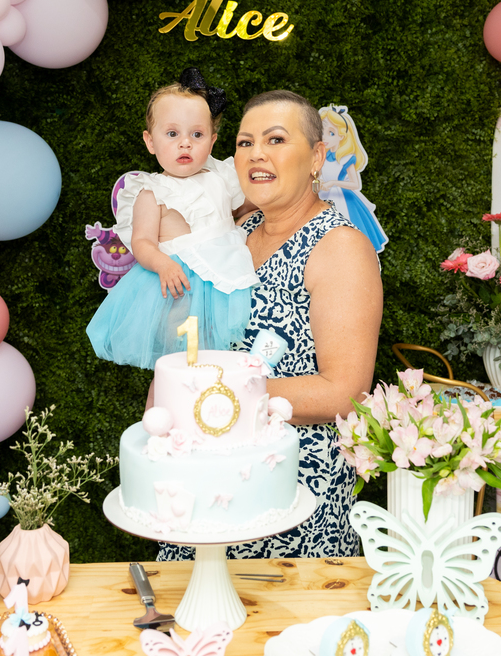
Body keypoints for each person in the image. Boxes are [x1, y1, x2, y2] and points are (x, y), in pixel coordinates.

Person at [158, 90, 383, 560]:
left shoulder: (339, 246)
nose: (256, 153)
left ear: (316, 158)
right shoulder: (234, 236)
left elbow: (344, 391)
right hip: (207, 484)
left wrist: (210, 398)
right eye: (245, 143)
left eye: (276, 139)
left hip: (291, 495)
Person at [86, 69, 258, 369]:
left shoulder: (221, 176)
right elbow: (142, 242)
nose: (185, 143)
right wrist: (162, 264)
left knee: (218, 356)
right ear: (150, 141)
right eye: (172, 134)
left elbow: (244, 208)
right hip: (179, 284)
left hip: (224, 275)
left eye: (197, 135)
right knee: (180, 357)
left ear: (212, 142)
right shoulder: (151, 192)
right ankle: (172, 387)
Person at [317, 105, 388, 253]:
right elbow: (317, 176)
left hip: (343, 199)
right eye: (322, 132)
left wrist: (333, 183)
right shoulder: (322, 156)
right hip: (323, 197)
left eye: (331, 133)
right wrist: (319, 183)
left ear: (341, 136)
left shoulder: (346, 158)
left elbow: (355, 184)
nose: (325, 137)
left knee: (347, 235)